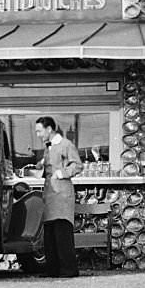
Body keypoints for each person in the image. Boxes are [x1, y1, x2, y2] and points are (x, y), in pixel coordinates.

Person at [35, 116, 83, 278]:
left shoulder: (66, 145)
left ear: (49, 129)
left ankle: (68, 270)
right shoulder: (48, 147)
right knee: (50, 234)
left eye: (39, 131)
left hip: (62, 194)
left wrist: (62, 173)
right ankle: (53, 269)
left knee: (62, 233)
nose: (38, 134)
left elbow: (77, 165)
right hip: (50, 194)